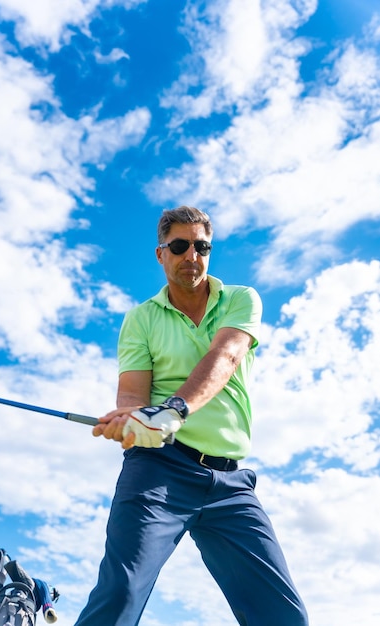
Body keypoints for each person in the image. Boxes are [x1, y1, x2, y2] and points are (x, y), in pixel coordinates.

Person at [74, 206, 308, 626]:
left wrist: (173, 410)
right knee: (120, 594)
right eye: (180, 246)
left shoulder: (241, 299)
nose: (192, 256)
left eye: (201, 247)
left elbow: (228, 355)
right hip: (159, 471)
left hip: (230, 485)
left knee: (284, 617)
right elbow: (132, 397)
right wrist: (129, 423)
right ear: (160, 254)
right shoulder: (141, 319)